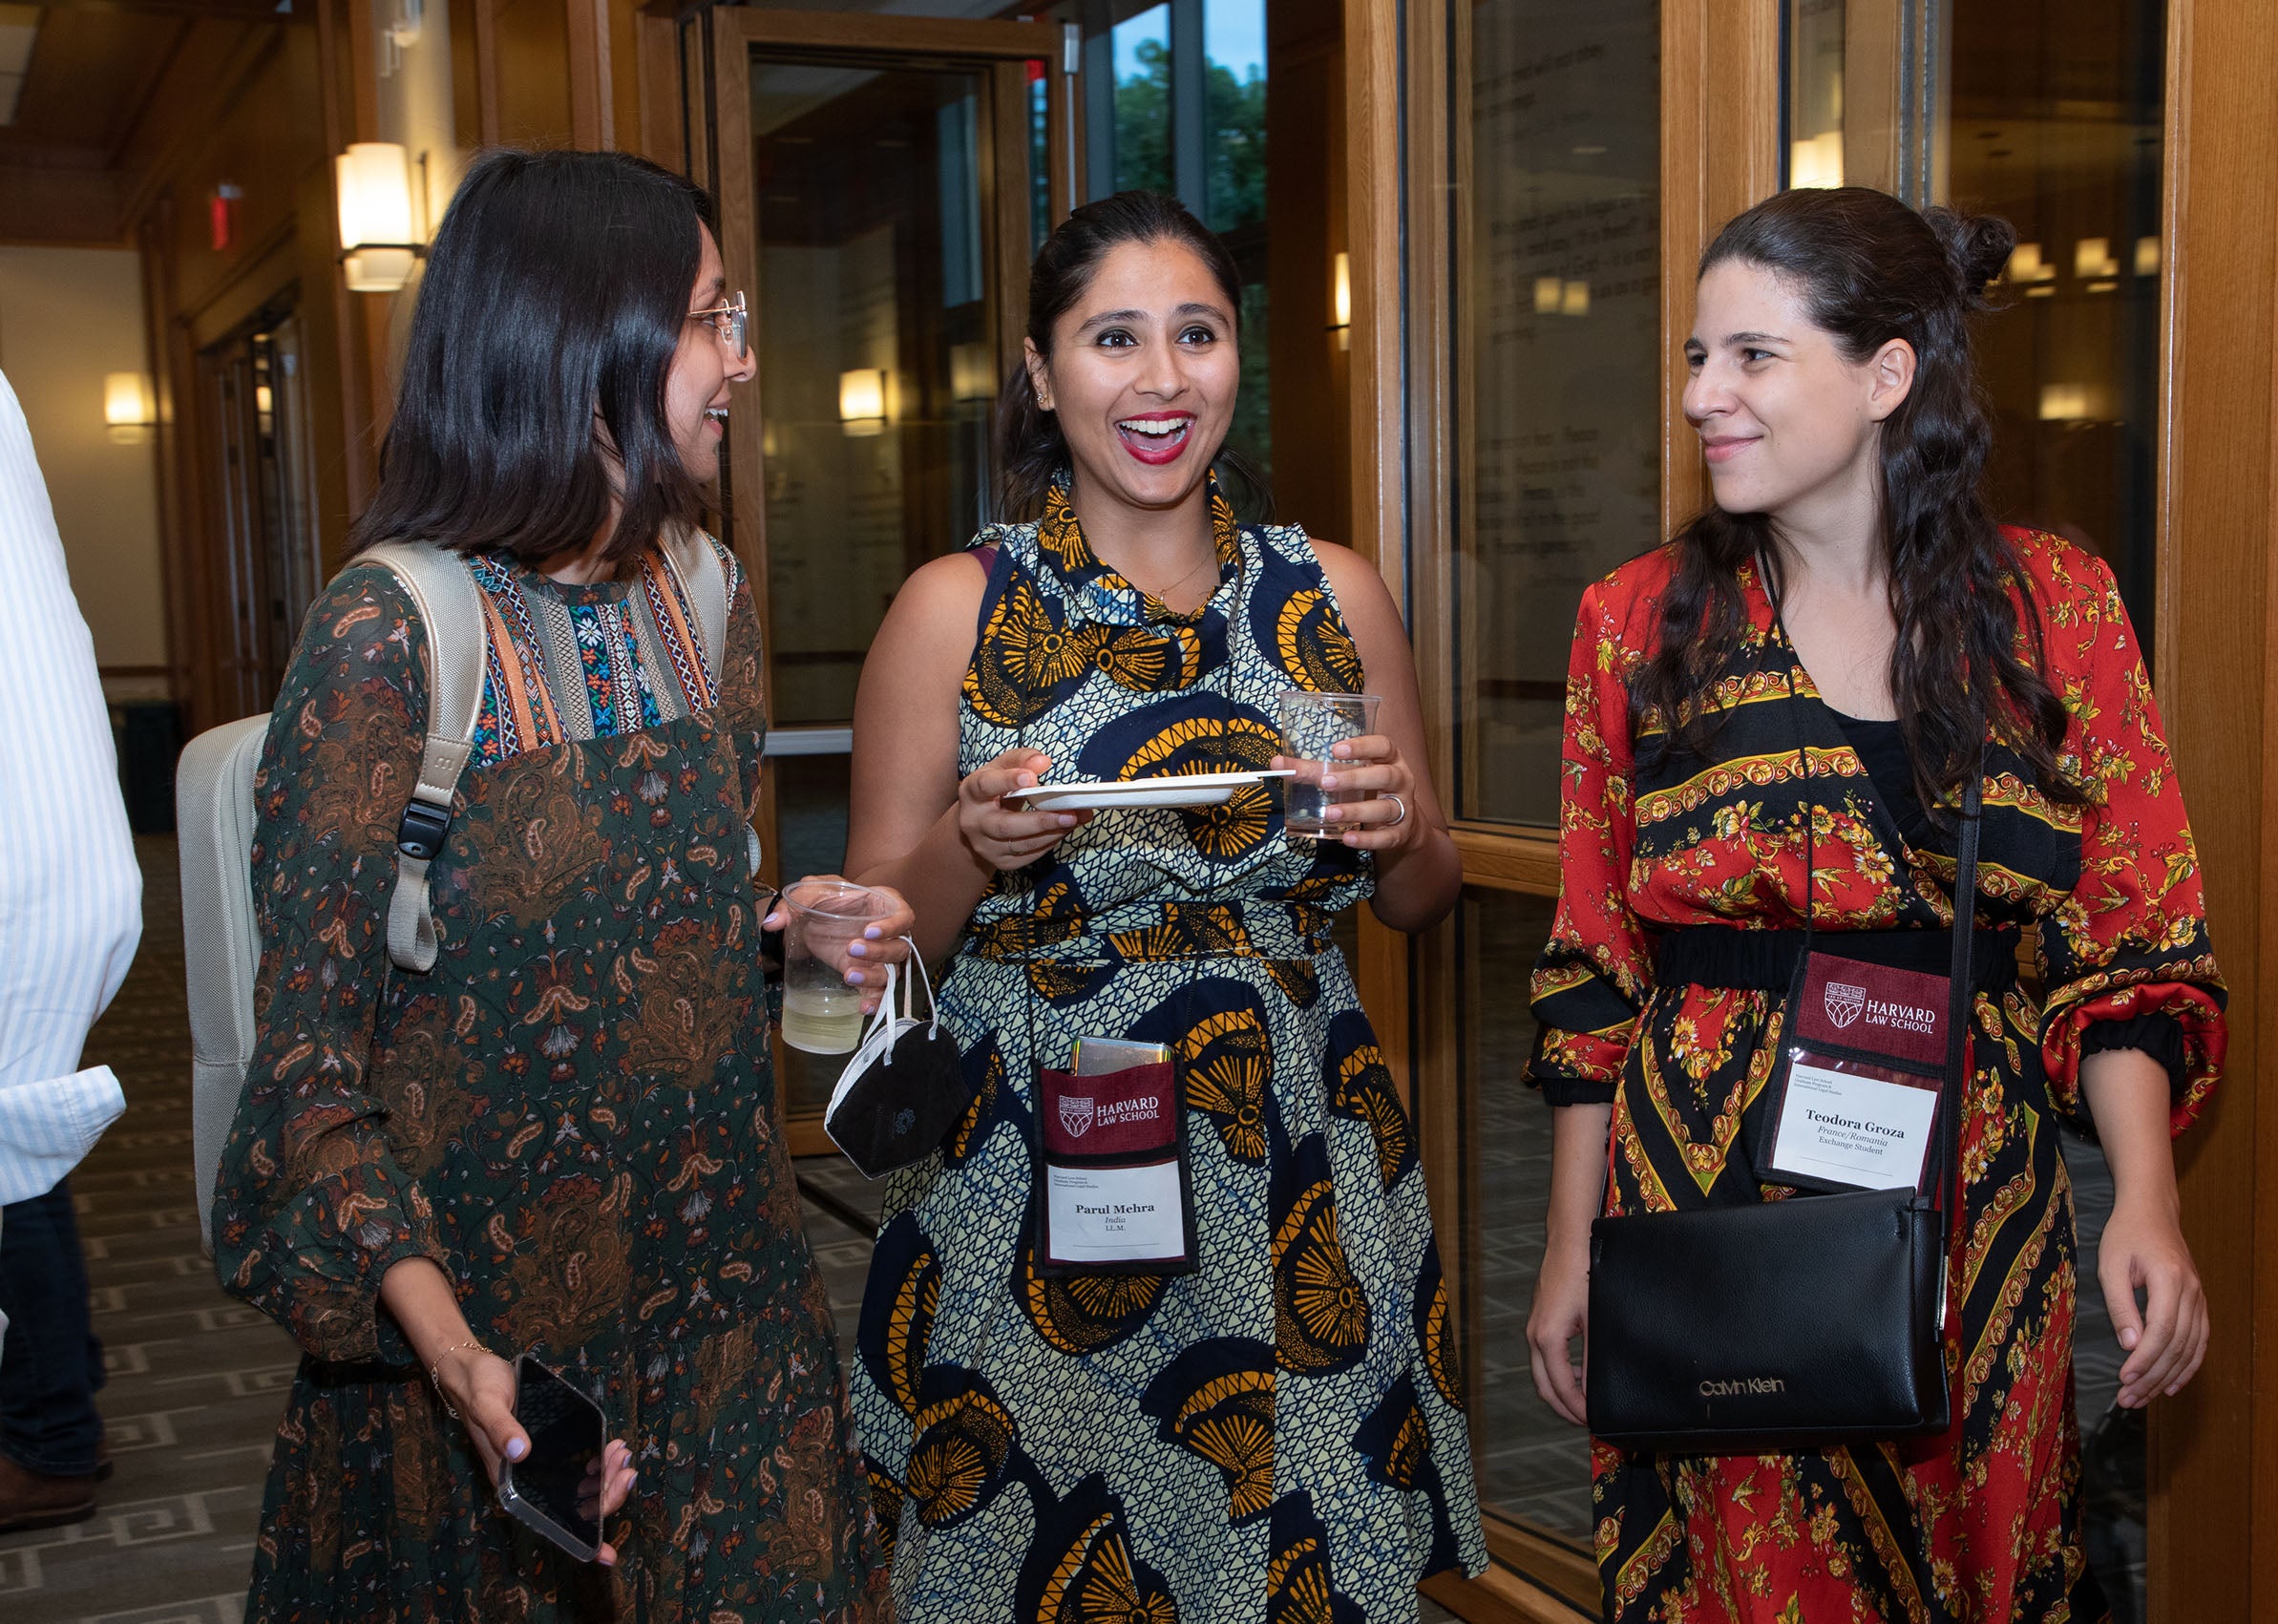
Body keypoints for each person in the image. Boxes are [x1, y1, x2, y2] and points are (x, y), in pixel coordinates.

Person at [212, 150, 902, 1621]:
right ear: (593, 337)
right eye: (714, 315)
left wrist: (797, 940)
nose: (744, 358)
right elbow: (308, 1090)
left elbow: (685, 949)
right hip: (499, 1371)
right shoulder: (387, 637)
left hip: (733, 1326)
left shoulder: (704, 594)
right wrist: (458, 1359)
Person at [1522, 186, 2225, 1620]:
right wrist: (1567, 1251)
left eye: (1751, 358)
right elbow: (1592, 968)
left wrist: (2143, 1201)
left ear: (1887, 372)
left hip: (1973, 1196)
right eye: (1694, 357)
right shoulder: (1636, 621)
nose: (1702, 396)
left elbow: (2130, 941)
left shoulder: (2054, 610)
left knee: (1990, 1552)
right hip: (1705, 1201)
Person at [843, 190, 1488, 1620]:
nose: (1158, 380)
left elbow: (1423, 896)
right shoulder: (956, 608)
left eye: (1193, 334)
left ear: (1237, 355)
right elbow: (876, 929)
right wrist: (969, 839)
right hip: (1036, 1163)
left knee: (1305, 1564)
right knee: (1056, 1556)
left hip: (1298, 1157)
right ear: (1038, 368)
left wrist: (1400, 832)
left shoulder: (1332, 593)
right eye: (1110, 338)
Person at [0, 368, 141, 1533]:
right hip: (48, 880)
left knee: (14, 1149)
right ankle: (58, 1405)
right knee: (18, 1151)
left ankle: (51, 1430)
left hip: (34, 880)